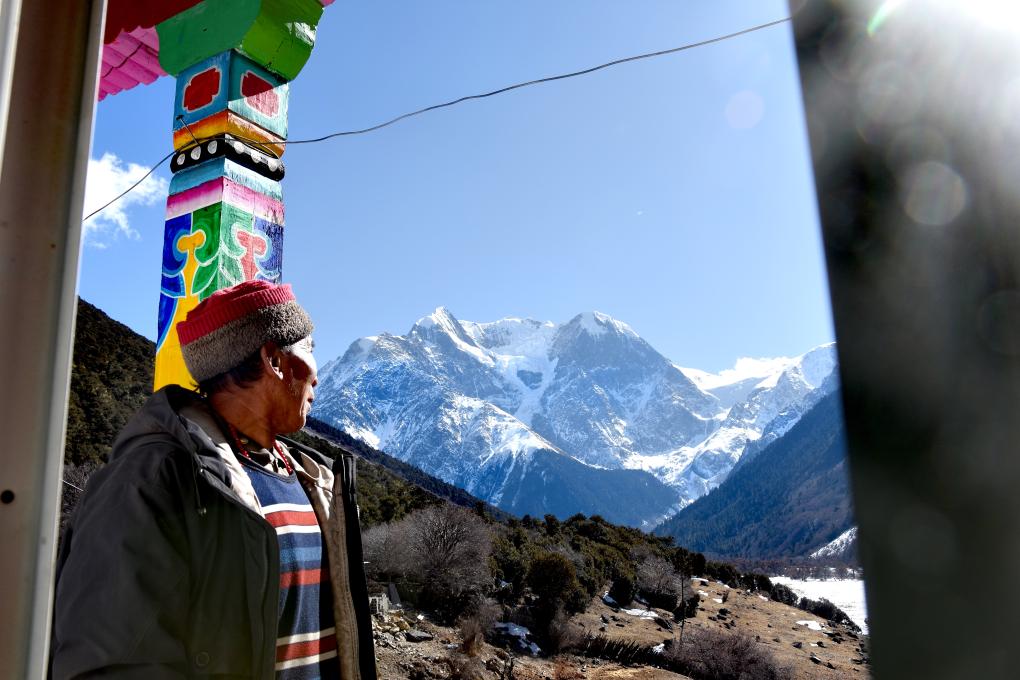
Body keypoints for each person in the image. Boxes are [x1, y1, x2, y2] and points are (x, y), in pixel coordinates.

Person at [50, 280, 377, 679]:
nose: (317, 377)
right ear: (275, 361)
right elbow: (107, 661)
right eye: (309, 349)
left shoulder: (314, 480)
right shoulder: (149, 480)